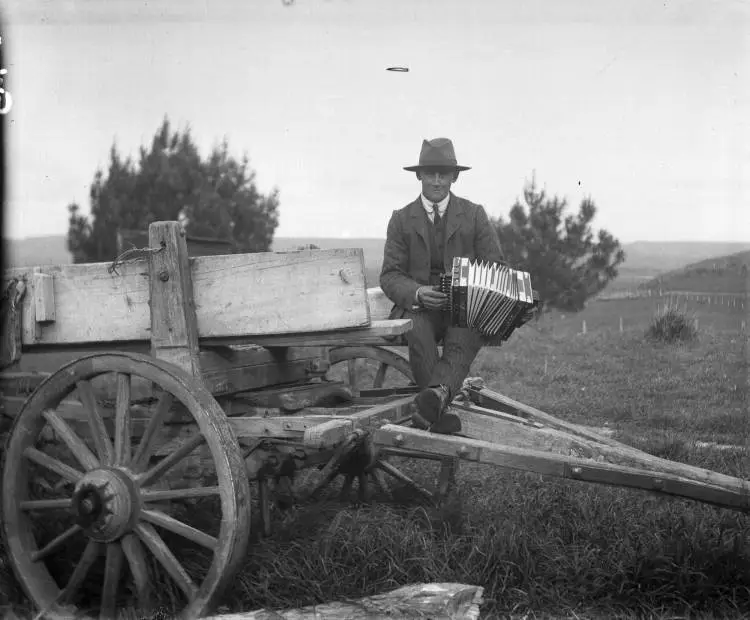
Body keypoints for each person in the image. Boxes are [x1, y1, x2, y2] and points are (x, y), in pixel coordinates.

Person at [380, 137, 528, 434]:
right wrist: (418, 293)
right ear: (419, 175)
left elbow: (496, 267)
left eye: (443, 174)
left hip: (463, 307)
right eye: (430, 173)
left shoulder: (474, 215)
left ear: (454, 177)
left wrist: (487, 294)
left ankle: (434, 400)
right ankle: (438, 402)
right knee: (417, 329)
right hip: (419, 308)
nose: (437, 181)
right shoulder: (400, 219)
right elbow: (390, 275)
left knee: (466, 329)